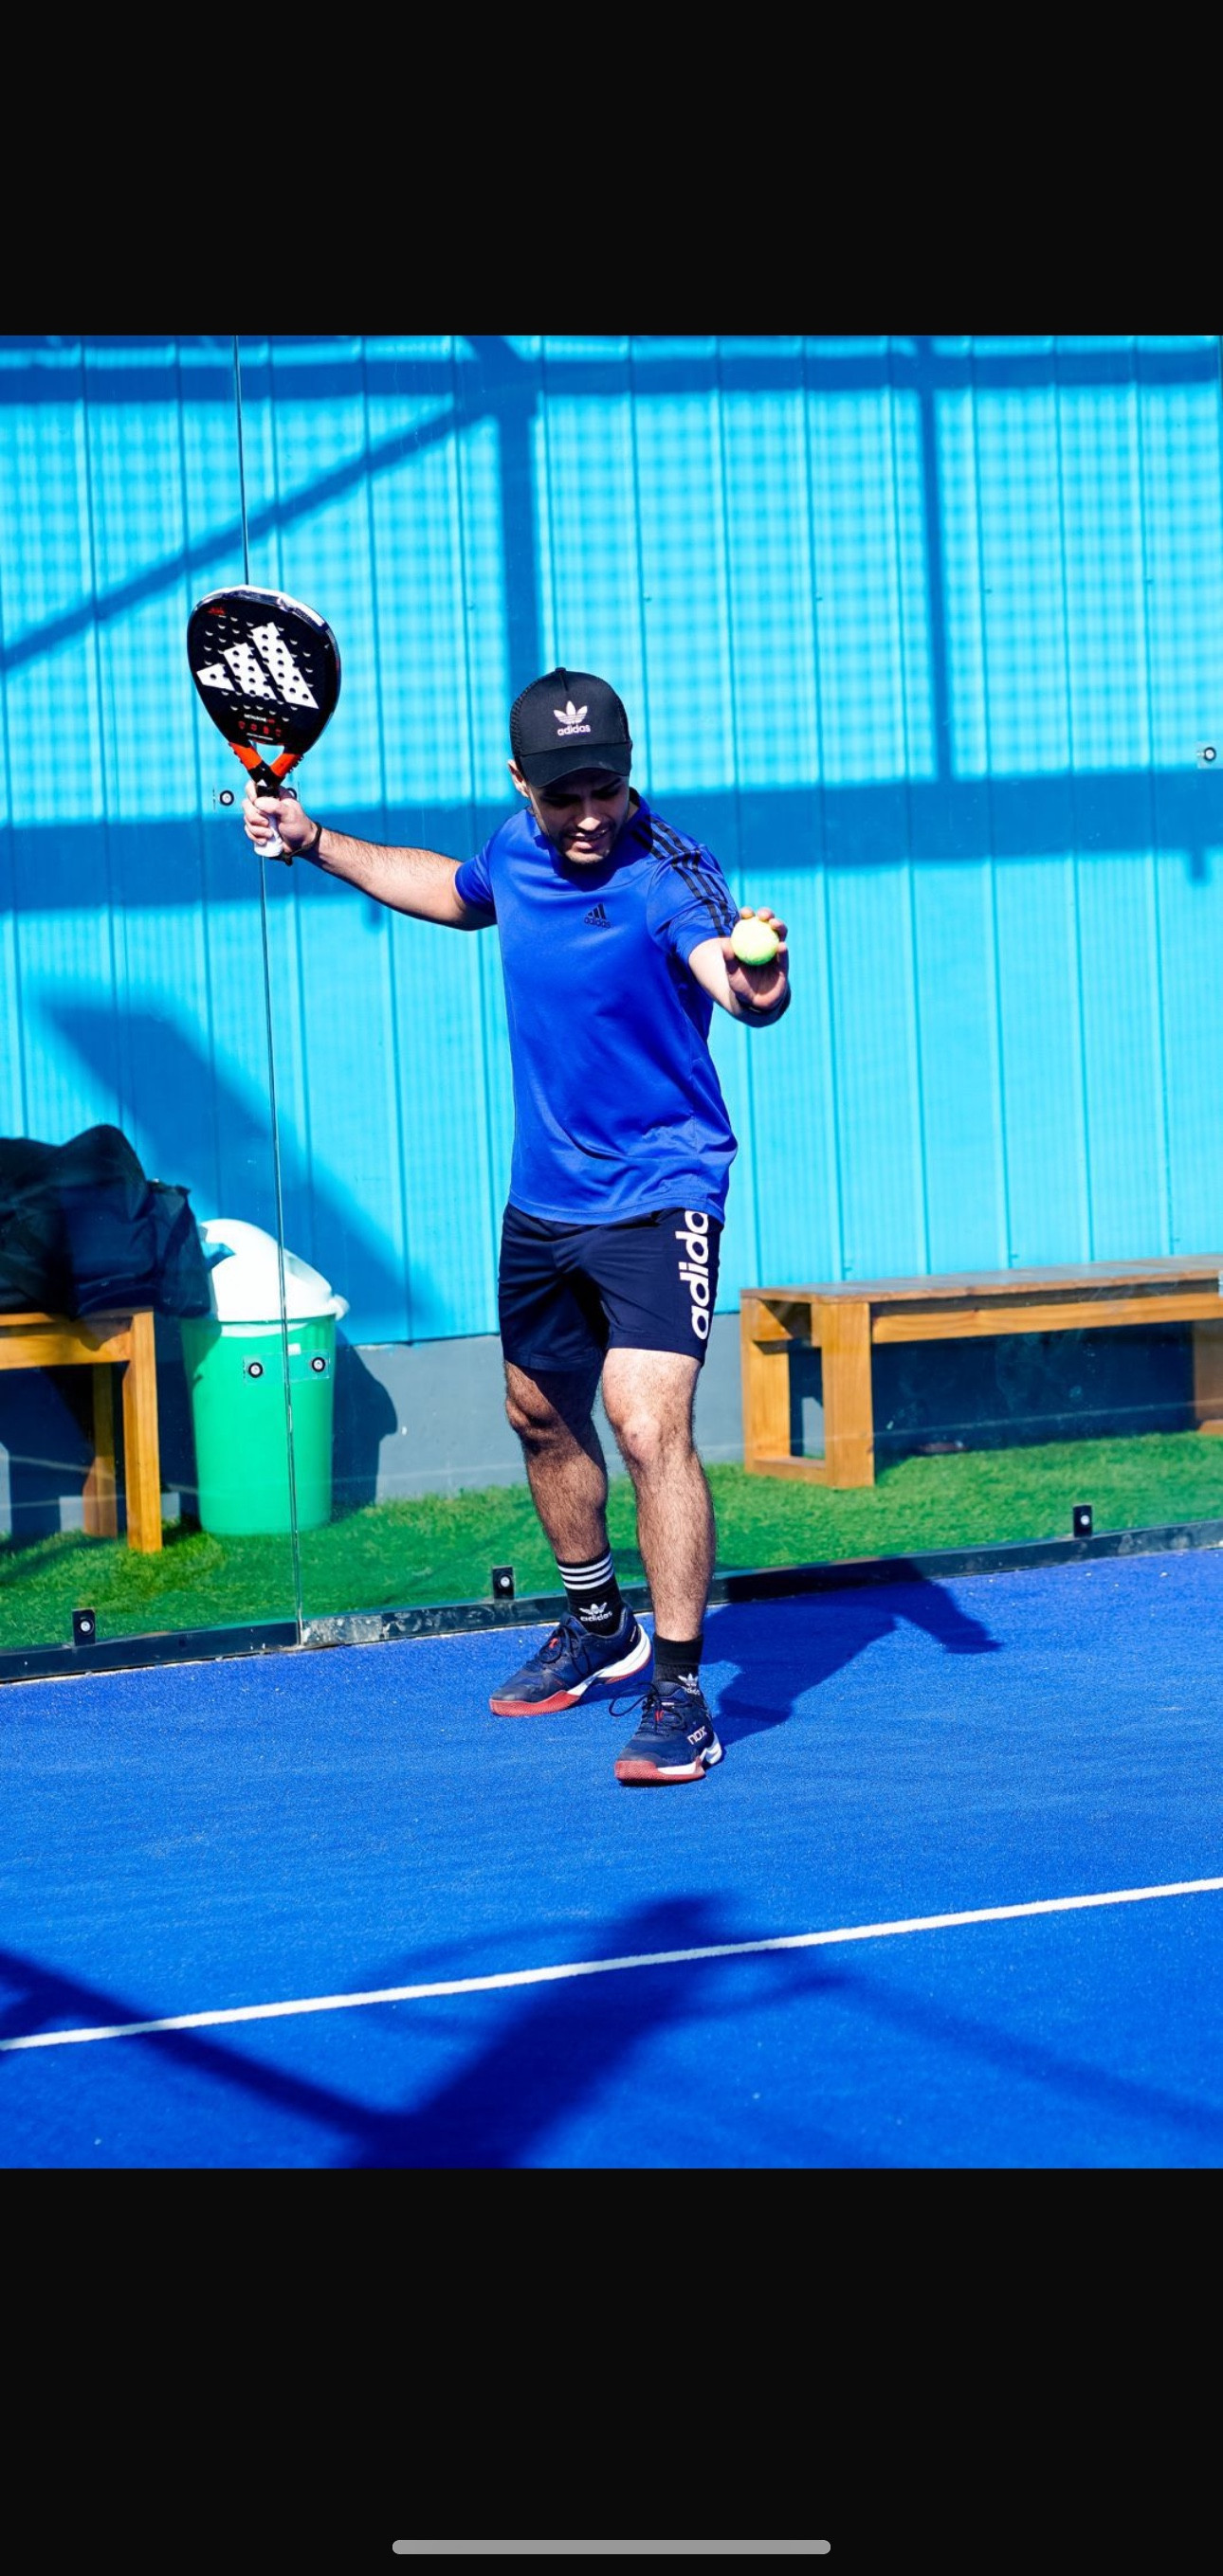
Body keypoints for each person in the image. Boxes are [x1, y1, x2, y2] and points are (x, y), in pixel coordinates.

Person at [243, 667, 790, 1785]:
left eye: (605, 790)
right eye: (563, 795)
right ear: (521, 784)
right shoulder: (515, 850)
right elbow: (452, 889)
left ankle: (682, 1693)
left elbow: (735, 985)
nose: (588, 815)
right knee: (539, 1415)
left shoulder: (668, 874)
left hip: (662, 1189)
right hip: (544, 1201)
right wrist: (313, 839)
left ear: (629, 777)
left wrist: (758, 973)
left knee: (645, 1423)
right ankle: (598, 1627)